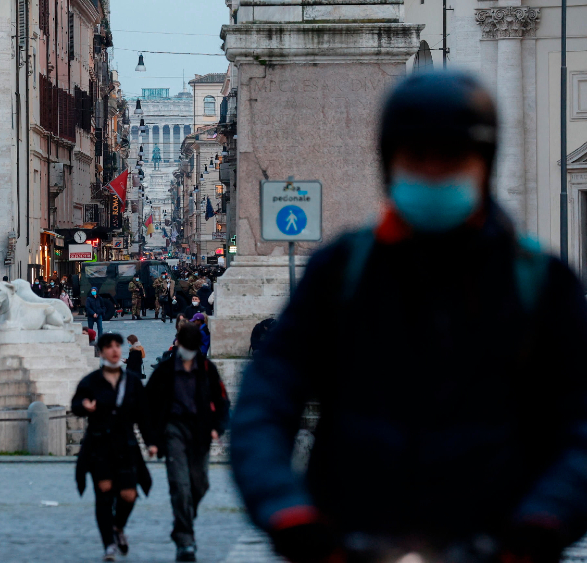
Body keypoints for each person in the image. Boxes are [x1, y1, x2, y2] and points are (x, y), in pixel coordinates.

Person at [231, 72, 587, 563]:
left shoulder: (543, 283)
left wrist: (544, 521)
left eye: (452, 160)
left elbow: (579, 421)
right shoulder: (339, 272)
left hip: (498, 544)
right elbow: (266, 397)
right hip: (353, 542)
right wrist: (286, 510)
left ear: (482, 166)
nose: (435, 174)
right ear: (390, 165)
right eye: (418, 159)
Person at [146, 322, 230, 562]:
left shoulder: (206, 368)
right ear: (178, 343)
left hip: (201, 431)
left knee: (199, 484)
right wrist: (152, 439)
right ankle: (185, 540)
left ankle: (182, 521)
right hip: (173, 430)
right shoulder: (165, 369)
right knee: (180, 485)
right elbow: (148, 404)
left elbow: (222, 401)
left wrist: (218, 428)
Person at [71, 333, 156, 562]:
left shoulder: (132, 382)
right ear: (102, 351)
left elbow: (143, 415)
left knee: (129, 494)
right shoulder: (91, 381)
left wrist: (151, 443)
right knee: (104, 493)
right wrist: (85, 406)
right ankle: (108, 544)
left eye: (117, 346)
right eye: (109, 347)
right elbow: (76, 404)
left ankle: (118, 528)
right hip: (99, 445)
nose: (115, 350)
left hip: (126, 444)